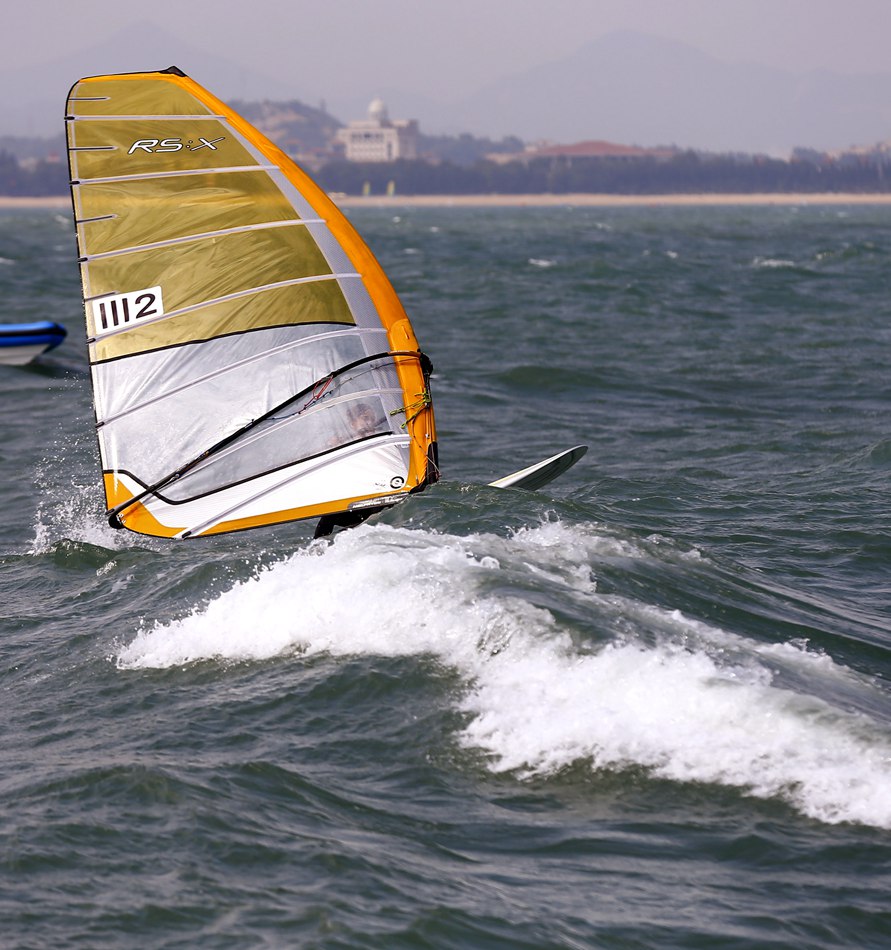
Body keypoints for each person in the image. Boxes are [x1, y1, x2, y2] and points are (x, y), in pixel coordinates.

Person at [313, 400, 387, 539]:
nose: (369, 422)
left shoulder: (382, 438)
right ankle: (317, 545)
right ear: (353, 424)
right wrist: (332, 446)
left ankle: (358, 534)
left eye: (372, 419)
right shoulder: (344, 443)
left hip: (376, 501)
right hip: (353, 504)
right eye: (365, 418)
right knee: (327, 516)